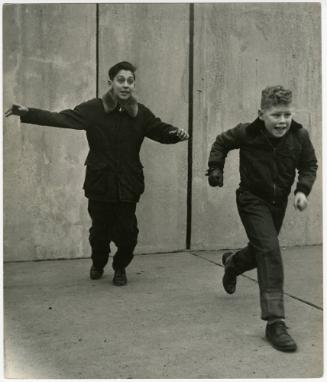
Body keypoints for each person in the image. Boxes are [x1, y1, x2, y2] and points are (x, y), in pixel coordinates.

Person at [5, 61, 189, 286]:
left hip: (128, 184)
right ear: (110, 82)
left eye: (130, 81)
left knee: (128, 234)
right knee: (99, 233)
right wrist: (29, 113)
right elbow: (62, 118)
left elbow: (160, 129)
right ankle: (99, 262)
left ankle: (120, 267)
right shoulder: (93, 109)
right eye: (121, 80)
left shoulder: (140, 113)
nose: (125, 85)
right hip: (100, 183)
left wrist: (175, 133)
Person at [207, 85, 317, 352]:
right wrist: (215, 167)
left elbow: (308, 164)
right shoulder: (248, 132)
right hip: (251, 199)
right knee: (270, 250)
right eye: (276, 115)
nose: (282, 121)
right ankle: (275, 321)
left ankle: (233, 264)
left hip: (277, 205)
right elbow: (222, 142)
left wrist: (302, 190)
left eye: (286, 115)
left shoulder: (299, 135)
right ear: (261, 114)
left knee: (260, 252)